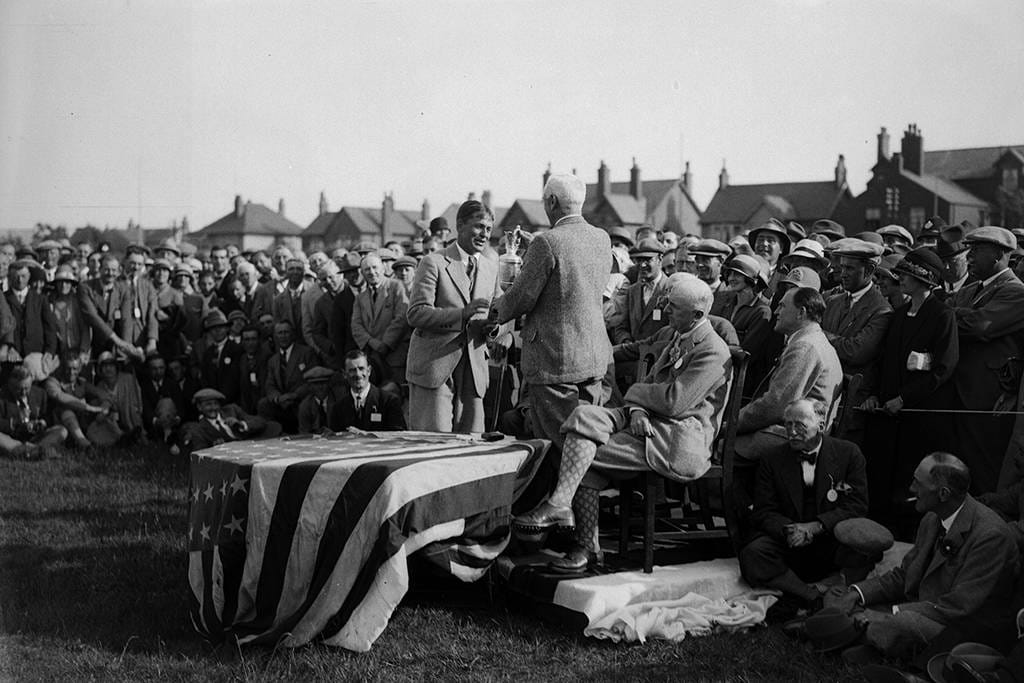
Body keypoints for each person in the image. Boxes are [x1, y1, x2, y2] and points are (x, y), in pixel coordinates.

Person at [513, 275, 731, 572]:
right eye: (666, 302)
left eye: (673, 306)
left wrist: (636, 397)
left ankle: (586, 545)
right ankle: (561, 506)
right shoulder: (678, 334)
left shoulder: (713, 350)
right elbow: (654, 385)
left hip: (678, 438)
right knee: (583, 415)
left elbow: (674, 402)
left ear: (697, 314)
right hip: (649, 419)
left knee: (581, 457)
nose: (665, 308)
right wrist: (637, 410)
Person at [829, 453, 1021, 662]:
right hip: (921, 607)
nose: (911, 489)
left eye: (918, 484)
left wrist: (890, 614)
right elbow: (904, 575)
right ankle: (868, 637)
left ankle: (845, 632)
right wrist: (857, 593)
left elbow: (959, 607)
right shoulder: (931, 517)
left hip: (960, 628)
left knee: (904, 623)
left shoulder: (991, 537)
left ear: (943, 494)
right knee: (840, 594)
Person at [491, 174, 611, 453]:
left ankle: (560, 498)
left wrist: (494, 312)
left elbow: (519, 299)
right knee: (585, 443)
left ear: (552, 201)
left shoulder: (547, 243)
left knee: (556, 446)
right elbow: (572, 269)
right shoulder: (601, 238)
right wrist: (538, 246)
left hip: (555, 363)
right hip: (593, 359)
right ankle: (583, 496)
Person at [740, 399, 878, 610]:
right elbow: (764, 510)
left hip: (831, 539)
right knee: (753, 553)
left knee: (866, 547)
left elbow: (857, 506)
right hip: (791, 542)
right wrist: (790, 530)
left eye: (800, 426)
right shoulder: (772, 458)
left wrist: (817, 526)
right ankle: (811, 595)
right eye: (788, 425)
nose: (792, 432)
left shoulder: (848, 454)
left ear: (820, 426)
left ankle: (835, 587)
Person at [861, 248, 959, 528]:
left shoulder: (942, 316)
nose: (900, 279)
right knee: (883, 479)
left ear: (924, 280)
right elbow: (882, 361)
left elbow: (943, 368)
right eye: (901, 274)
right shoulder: (900, 315)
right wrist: (875, 395)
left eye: (907, 275)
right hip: (888, 417)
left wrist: (904, 399)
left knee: (912, 482)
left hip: (919, 418)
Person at [406, 199, 500, 433]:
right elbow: (416, 313)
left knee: (471, 450)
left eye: (488, 229)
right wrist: (461, 315)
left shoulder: (491, 268)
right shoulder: (433, 262)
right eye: (478, 226)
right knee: (433, 446)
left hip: (474, 371)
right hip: (435, 370)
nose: (484, 234)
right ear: (460, 225)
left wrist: (494, 327)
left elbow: (498, 312)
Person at [948, 227, 1024, 492]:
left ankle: (986, 528)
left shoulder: (1016, 291)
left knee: (983, 469)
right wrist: (957, 314)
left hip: (988, 397)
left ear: (999, 255)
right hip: (961, 393)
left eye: (977, 250)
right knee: (957, 468)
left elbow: (980, 326)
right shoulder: (971, 290)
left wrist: (951, 315)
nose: (969, 257)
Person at [820, 239, 892, 441]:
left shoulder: (881, 310)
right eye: (842, 267)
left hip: (852, 405)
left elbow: (857, 352)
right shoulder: (833, 301)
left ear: (869, 270)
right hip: (824, 399)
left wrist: (823, 337)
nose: (842, 273)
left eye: (850, 268)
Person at [351, 253, 410, 389]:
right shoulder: (360, 297)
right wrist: (374, 344)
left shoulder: (397, 287)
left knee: (398, 394)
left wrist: (386, 344)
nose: (372, 272)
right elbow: (356, 325)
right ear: (363, 273)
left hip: (396, 354)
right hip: (373, 356)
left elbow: (401, 318)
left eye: (374, 267)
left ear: (383, 268)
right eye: (367, 269)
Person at [257, 320, 317, 433]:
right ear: (275, 336)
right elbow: (270, 385)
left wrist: (294, 395)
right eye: (280, 333)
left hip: (300, 399)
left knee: (306, 405)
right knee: (263, 404)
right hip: (281, 402)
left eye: (286, 332)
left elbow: (312, 381)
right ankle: (273, 435)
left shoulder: (306, 353)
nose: (283, 336)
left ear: (292, 334)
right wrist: (278, 398)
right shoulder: (273, 360)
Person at [181, 388, 279, 452]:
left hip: (252, 445)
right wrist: (214, 448)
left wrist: (241, 424)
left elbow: (260, 421)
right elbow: (200, 453)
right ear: (199, 407)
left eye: (215, 403)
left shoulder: (232, 410)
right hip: (234, 457)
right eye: (208, 404)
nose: (213, 408)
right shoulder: (199, 429)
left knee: (273, 427)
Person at [0, 364, 67, 458]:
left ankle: (29, 452)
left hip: (36, 437)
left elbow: (48, 416)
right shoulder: (2, 396)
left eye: (27, 388)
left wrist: (42, 423)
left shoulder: (40, 393)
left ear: (31, 383)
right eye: (18, 389)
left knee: (62, 430)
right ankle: (39, 451)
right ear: (10, 385)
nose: (23, 393)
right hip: (13, 439)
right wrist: (17, 424)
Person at [329, 350, 405, 431]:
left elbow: (399, 437)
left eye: (361, 369)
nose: (358, 374)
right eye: (352, 370)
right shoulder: (338, 408)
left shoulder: (389, 401)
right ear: (344, 374)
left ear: (369, 371)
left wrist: (365, 435)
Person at [747, 220, 791, 298]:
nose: (764, 244)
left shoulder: (786, 277)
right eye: (760, 240)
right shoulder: (744, 268)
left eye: (770, 241)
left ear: (781, 248)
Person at [296, 366, 340, 434]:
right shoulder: (305, 406)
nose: (320, 387)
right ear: (310, 387)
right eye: (316, 384)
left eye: (323, 383)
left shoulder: (338, 401)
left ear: (329, 384)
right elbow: (304, 433)